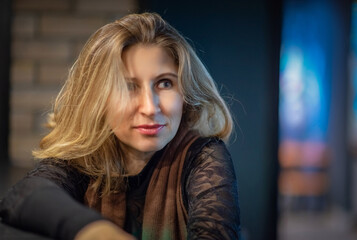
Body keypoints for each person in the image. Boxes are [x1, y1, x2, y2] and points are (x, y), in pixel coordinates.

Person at [0, 12, 240, 240]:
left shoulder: (204, 155)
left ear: (185, 94)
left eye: (165, 83)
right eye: (128, 86)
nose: (149, 107)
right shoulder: (81, 159)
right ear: (98, 99)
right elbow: (24, 194)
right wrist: (96, 232)